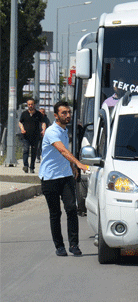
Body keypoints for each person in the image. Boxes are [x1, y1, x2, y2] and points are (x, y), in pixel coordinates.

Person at [40, 100, 89, 257]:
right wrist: (78, 163)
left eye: (69, 112)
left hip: (66, 176)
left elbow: (65, 152)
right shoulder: (51, 131)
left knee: (72, 209)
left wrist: (72, 167)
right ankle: (59, 246)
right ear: (56, 115)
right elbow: (62, 150)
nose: (68, 115)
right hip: (50, 178)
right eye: (64, 113)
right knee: (55, 213)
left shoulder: (65, 130)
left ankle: (74, 245)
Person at [18, 98, 46, 173]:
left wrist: (43, 130)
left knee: (34, 152)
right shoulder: (24, 113)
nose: (30, 106)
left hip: (35, 136)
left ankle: (32, 167)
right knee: (26, 150)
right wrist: (22, 129)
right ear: (27, 105)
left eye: (31, 104)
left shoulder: (38, 114)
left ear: (34, 105)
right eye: (29, 104)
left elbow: (43, 123)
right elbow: (20, 122)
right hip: (26, 136)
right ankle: (26, 166)